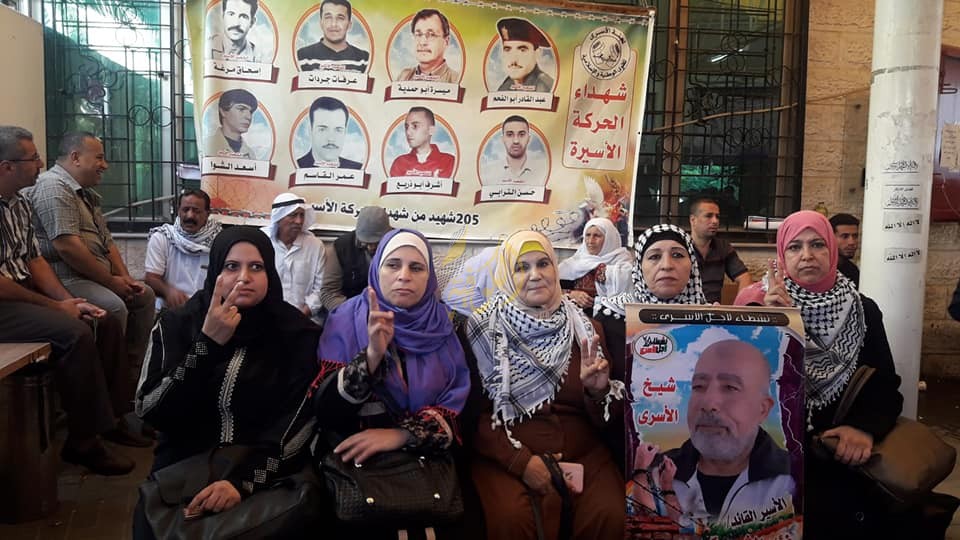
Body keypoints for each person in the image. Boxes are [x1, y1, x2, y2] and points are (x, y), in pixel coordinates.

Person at [134, 226, 320, 538]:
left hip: (269, 470)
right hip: (184, 466)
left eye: (256, 267)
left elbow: (299, 423)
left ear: (270, 273)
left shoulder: (297, 334)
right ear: (215, 271)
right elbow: (151, 409)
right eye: (231, 266)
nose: (244, 277)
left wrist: (243, 482)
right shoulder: (178, 323)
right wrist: (207, 345)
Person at [734, 210, 904, 538]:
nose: (807, 255)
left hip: (838, 456)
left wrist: (863, 428)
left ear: (832, 250)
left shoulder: (863, 310)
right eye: (795, 247)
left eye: (817, 245)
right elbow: (741, 385)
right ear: (782, 256)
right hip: (769, 457)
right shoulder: (756, 306)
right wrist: (774, 324)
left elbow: (885, 384)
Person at [465, 230, 625, 540]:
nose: (535, 275)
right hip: (508, 454)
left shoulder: (587, 329)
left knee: (609, 515)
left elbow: (610, 419)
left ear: (555, 268)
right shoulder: (484, 330)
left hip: (584, 455)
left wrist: (598, 391)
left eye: (543, 264)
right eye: (521, 267)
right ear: (506, 275)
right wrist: (521, 463)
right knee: (512, 519)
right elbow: (474, 416)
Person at [0, 125, 141, 475]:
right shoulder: (50, 189)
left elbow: (35, 261)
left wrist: (69, 302)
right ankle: (83, 442)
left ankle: (114, 419)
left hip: (22, 294)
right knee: (75, 334)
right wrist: (56, 308)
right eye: (33, 158)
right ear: (7, 167)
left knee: (103, 320)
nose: (40, 164)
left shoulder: (19, 203)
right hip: (5, 303)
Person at [312, 228, 469, 537]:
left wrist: (402, 435)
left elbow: (461, 408)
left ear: (429, 277)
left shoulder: (446, 326)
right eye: (393, 265)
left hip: (428, 466)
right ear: (376, 269)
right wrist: (371, 356)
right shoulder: (346, 320)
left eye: (416, 267)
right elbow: (326, 412)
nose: (404, 276)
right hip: (358, 468)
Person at [25, 131, 157, 377]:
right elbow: (67, 246)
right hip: (67, 278)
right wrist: (111, 282)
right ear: (75, 157)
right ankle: (109, 382)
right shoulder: (53, 186)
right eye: (99, 158)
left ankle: (134, 375)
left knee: (143, 295)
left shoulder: (86, 193)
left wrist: (124, 278)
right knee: (114, 307)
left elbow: (108, 243)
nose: (105, 165)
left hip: (92, 277)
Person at [628, 340, 794, 528]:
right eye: (699, 386)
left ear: (763, 409)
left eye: (730, 387)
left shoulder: (791, 478)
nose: (708, 403)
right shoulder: (654, 474)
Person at [594, 224, 708, 376]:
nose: (667, 265)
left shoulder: (709, 321)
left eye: (677, 255)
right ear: (639, 268)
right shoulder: (611, 317)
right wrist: (598, 387)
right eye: (654, 257)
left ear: (692, 265)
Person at [145, 188, 221, 310]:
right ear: (178, 211)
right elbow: (151, 278)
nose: (190, 215)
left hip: (207, 310)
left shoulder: (219, 241)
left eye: (196, 211)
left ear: (208, 213)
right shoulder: (162, 237)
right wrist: (168, 291)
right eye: (185, 210)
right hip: (171, 311)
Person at [260, 193, 325, 322]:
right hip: (266, 318)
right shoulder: (262, 241)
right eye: (293, 215)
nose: (299, 221)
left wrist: (299, 316)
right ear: (279, 217)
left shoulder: (315, 246)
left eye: (302, 215)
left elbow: (321, 288)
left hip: (305, 319)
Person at [319, 205, 391, 312]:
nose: (371, 247)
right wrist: (352, 313)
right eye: (366, 242)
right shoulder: (341, 247)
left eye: (376, 242)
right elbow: (329, 292)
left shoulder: (399, 244)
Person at [559, 217, 632, 315]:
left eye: (597, 235)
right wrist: (571, 294)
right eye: (587, 235)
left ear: (609, 239)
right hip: (573, 318)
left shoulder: (623, 265)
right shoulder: (571, 264)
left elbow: (631, 298)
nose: (590, 241)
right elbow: (551, 291)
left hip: (610, 320)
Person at [688, 197, 751, 303]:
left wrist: (739, 308)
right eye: (708, 216)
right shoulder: (681, 247)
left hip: (714, 310)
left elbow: (745, 278)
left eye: (717, 217)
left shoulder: (722, 247)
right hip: (686, 309)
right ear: (693, 220)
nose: (715, 221)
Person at [297, 0, 370, 73]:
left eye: (340, 18)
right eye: (328, 17)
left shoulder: (364, 60)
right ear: (321, 23)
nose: (333, 24)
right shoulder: (302, 57)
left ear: (349, 25)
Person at [296, 96, 362, 170]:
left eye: (338, 130)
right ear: (310, 131)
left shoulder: (358, 169)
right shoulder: (296, 167)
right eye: (322, 129)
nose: (331, 139)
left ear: (345, 132)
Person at [396, 9, 460, 83]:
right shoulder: (404, 77)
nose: (422, 42)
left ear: (446, 41)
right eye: (418, 34)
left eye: (431, 35)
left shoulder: (456, 80)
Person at [389, 106, 456, 178]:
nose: (408, 132)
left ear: (431, 130)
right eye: (406, 127)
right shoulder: (400, 163)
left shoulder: (449, 162)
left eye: (415, 126)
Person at [481, 115, 546, 186]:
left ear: (529, 138)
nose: (516, 141)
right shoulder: (488, 172)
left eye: (521, 134)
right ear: (503, 139)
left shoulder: (542, 170)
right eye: (509, 135)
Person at [495, 18, 554, 93]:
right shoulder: (505, 86)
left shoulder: (545, 87)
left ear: (537, 54)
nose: (513, 60)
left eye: (522, 50)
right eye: (508, 50)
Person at [440, 245, 498, 319]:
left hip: (465, 315)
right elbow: (495, 306)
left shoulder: (498, 256)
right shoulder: (493, 259)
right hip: (455, 315)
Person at [203, 89, 260, 159]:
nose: (249, 117)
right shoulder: (206, 146)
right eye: (241, 109)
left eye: (250, 112)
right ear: (223, 111)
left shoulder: (250, 154)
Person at [829, 213, 861, 288]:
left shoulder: (853, 270)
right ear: (830, 237)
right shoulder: (821, 270)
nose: (852, 242)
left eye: (855, 236)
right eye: (845, 236)